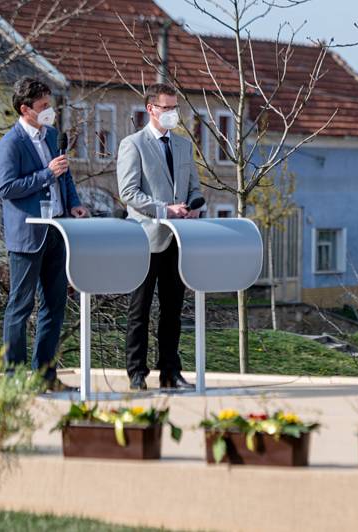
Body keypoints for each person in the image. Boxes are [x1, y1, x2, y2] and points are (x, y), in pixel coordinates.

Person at [0, 77, 89, 391]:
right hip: (27, 236)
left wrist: (74, 203)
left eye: (50, 105)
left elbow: (65, 175)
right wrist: (46, 173)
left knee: (55, 304)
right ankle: (15, 379)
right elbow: (7, 188)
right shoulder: (11, 143)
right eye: (43, 107)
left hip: (58, 230)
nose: (50, 112)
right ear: (25, 109)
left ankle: (45, 375)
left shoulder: (51, 136)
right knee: (20, 307)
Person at [117, 83, 204, 391]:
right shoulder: (133, 144)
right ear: (151, 109)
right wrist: (165, 210)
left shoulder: (183, 146)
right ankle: (136, 373)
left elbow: (195, 187)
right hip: (145, 238)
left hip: (178, 239)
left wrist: (195, 207)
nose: (172, 114)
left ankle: (170, 371)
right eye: (166, 108)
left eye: (175, 108)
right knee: (139, 310)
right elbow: (129, 193)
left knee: (172, 311)